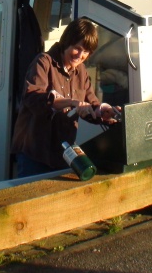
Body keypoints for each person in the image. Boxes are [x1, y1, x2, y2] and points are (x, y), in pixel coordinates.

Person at [11, 17, 120, 177]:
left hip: (62, 155)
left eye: (86, 51)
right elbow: (32, 100)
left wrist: (106, 112)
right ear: (66, 42)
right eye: (77, 48)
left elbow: (92, 104)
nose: (80, 55)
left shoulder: (81, 71)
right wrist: (71, 102)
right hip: (34, 154)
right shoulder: (43, 62)